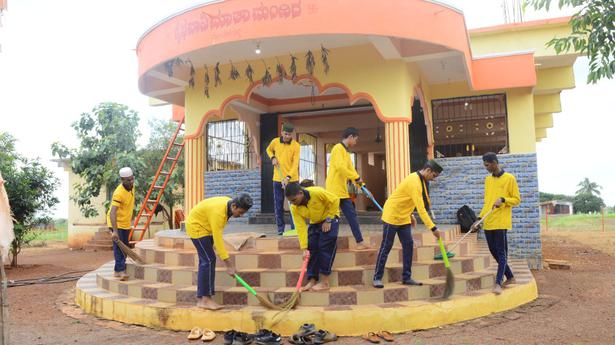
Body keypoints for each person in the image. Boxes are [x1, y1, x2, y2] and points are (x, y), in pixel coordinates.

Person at [372, 160, 444, 288]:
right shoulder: (414, 182)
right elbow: (421, 209)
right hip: (392, 216)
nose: (433, 179)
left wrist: (410, 215)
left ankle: (406, 277)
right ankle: (377, 277)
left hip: (404, 216)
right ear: (428, 170)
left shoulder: (420, 180)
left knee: (408, 245)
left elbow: (405, 198)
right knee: (386, 246)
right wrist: (433, 228)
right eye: (434, 176)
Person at [185, 194, 253, 310]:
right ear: (234, 206)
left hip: (206, 227)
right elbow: (218, 241)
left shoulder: (228, 205)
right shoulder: (219, 214)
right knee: (208, 260)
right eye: (240, 212)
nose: (240, 215)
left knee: (206, 261)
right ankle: (205, 300)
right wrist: (229, 265)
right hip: (197, 227)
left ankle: (202, 299)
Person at [472, 152, 520, 295]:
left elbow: (517, 199)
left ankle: (498, 282)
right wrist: (479, 219)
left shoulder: (509, 178)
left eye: (487, 165)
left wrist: (504, 200)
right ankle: (510, 276)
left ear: (494, 162)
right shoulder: (488, 180)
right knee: (494, 251)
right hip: (489, 221)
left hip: (501, 222)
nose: (486, 168)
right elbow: (487, 202)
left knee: (501, 252)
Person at [285, 182, 340, 292]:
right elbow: (300, 228)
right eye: (290, 201)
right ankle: (312, 280)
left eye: (294, 200)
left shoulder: (316, 192)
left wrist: (329, 219)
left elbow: (335, 200)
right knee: (311, 247)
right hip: (315, 222)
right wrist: (304, 248)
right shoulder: (294, 208)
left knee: (324, 246)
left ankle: (325, 282)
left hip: (330, 218)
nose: (293, 204)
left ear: (300, 193)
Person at [325, 127, 368, 249]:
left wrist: (361, 184)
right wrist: (356, 177)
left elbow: (351, 170)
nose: (356, 142)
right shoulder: (337, 149)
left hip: (342, 191)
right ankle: (329, 243)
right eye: (356, 139)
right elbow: (340, 168)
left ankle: (359, 242)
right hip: (333, 190)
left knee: (352, 215)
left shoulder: (346, 153)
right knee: (332, 217)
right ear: (350, 137)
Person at [266, 123, 300, 235]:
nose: (287, 136)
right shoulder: (275, 142)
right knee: (278, 204)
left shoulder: (296, 146)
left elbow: (295, 164)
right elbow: (268, 150)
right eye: (285, 134)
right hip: (277, 179)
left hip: (292, 180)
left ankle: (295, 228)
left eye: (289, 134)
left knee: (294, 204)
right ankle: (280, 229)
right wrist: (273, 157)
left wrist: (288, 177)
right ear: (281, 132)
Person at [107, 167, 136, 281]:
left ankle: (117, 270)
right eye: (128, 180)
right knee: (119, 248)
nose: (131, 182)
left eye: (132, 179)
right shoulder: (118, 193)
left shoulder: (132, 187)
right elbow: (112, 212)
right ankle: (121, 271)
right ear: (122, 180)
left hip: (125, 223)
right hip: (116, 223)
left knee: (124, 247)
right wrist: (114, 231)